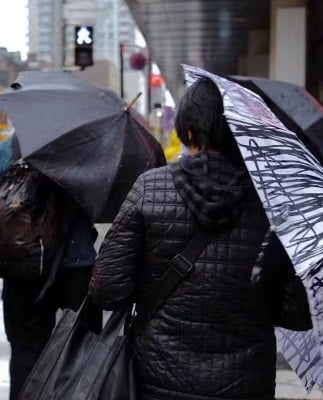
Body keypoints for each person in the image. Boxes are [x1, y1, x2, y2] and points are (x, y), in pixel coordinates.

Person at [89, 77, 310, 400]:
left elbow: (106, 291)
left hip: (157, 380)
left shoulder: (150, 188)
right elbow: (297, 314)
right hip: (246, 384)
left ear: (189, 132)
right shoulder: (274, 205)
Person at [0, 134, 99, 400]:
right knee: (82, 350)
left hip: (26, 264)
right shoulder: (87, 147)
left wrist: (19, 224)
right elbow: (104, 197)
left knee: (25, 354)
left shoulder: (15, 145)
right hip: (75, 265)